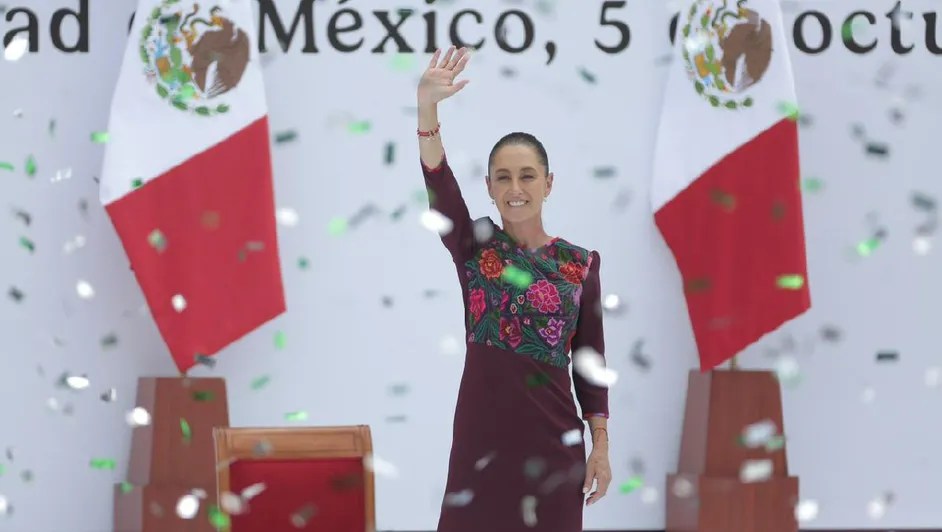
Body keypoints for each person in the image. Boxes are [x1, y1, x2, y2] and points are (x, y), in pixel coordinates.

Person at [416, 46, 612, 532]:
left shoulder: (580, 265)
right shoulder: (474, 244)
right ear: (488, 185)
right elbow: (441, 188)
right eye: (503, 177)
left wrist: (601, 447)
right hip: (482, 444)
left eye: (527, 176)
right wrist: (427, 110)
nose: (515, 187)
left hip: (554, 448)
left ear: (549, 183)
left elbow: (591, 364)